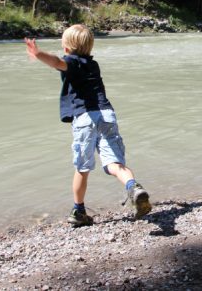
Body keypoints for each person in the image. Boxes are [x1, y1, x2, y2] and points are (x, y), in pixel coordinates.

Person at [25, 24, 152, 226]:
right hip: (107, 115)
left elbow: (57, 62)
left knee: (82, 168)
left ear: (67, 47)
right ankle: (133, 187)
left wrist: (38, 53)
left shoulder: (71, 62)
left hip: (85, 118)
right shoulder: (93, 65)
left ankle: (79, 212)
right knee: (115, 164)